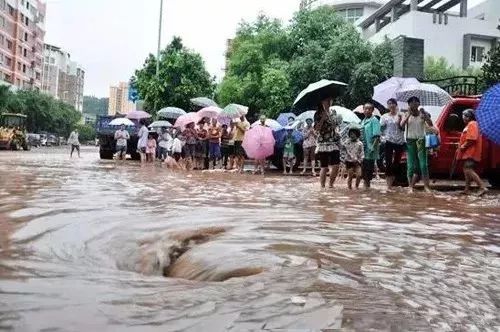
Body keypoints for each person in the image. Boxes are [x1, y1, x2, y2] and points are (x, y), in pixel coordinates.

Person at [400, 96, 433, 193]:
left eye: (416, 102)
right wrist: (408, 115)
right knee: (410, 166)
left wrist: (425, 115)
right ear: (409, 104)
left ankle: (426, 186)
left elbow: (430, 124)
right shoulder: (406, 114)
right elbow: (401, 126)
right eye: (412, 102)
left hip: (421, 140)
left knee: (423, 164)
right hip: (410, 141)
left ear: (419, 104)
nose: (414, 104)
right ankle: (410, 186)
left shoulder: (423, 114)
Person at [458, 109, 487, 196]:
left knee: (468, 169)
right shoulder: (471, 124)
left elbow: (472, 139)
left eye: (465, 116)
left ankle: (482, 187)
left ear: (469, 117)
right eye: (463, 116)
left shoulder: (472, 124)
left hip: (471, 152)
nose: (463, 118)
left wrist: (463, 146)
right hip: (469, 152)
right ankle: (467, 189)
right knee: (466, 169)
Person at [314, 98, 341, 188]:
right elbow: (317, 129)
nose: (329, 102)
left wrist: (331, 118)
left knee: (336, 165)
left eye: (330, 100)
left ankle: (331, 184)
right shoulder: (317, 114)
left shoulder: (333, 112)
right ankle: (322, 186)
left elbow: (335, 126)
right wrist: (323, 118)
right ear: (322, 102)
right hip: (323, 143)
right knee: (324, 166)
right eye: (326, 100)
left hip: (333, 142)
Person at [380, 98, 405, 188]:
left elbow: (403, 128)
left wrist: (399, 120)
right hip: (388, 141)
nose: (391, 105)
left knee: (397, 162)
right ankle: (388, 185)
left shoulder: (401, 115)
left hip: (399, 141)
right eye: (389, 104)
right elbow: (381, 128)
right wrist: (382, 137)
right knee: (388, 162)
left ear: (396, 105)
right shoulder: (384, 116)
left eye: (393, 103)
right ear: (387, 106)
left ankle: (393, 181)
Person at [360, 103, 381, 189]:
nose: (367, 110)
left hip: (371, 148)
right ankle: (366, 187)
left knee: (368, 169)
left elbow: (377, 136)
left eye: (369, 109)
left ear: (372, 110)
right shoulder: (363, 121)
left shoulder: (374, 120)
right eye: (365, 109)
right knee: (364, 168)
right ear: (363, 110)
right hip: (363, 148)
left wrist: (373, 147)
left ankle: (367, 187)